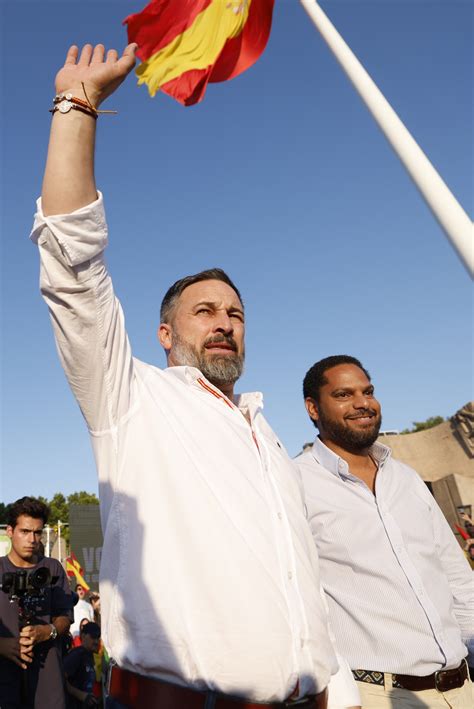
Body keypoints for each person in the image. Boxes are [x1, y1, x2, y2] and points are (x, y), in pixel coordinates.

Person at [30, 43, 361, 709]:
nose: (223, 321)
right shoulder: (131, 400)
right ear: (165, 333)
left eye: (235, 312)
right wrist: (78, 107)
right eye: (204, 309)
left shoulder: (267, 439)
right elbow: (72, 270)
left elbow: (302, 584)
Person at [297, 355, 474, 708]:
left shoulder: (406, 478)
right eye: (344, 395)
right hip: (376, 695)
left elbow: (456, 577)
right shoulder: (296, 482)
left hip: (463, 686)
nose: (363, 403)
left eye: (368, 391)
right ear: (313, 408)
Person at [0, 497, 74, 709]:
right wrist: (3, 646)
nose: (32, 539)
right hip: (5, 684)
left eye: (37, 532)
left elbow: (65, 617)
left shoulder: (52, 568)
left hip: (47, 683)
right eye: (25, 531)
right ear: (10, 531)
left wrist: (47, 631)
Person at [64, 622, 101, 708]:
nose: (96, 641)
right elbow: (60, 679)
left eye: (98, 638)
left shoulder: (90, 655)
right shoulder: (76, 655)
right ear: (83, 636)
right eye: (93, 637)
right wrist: (82, 695)